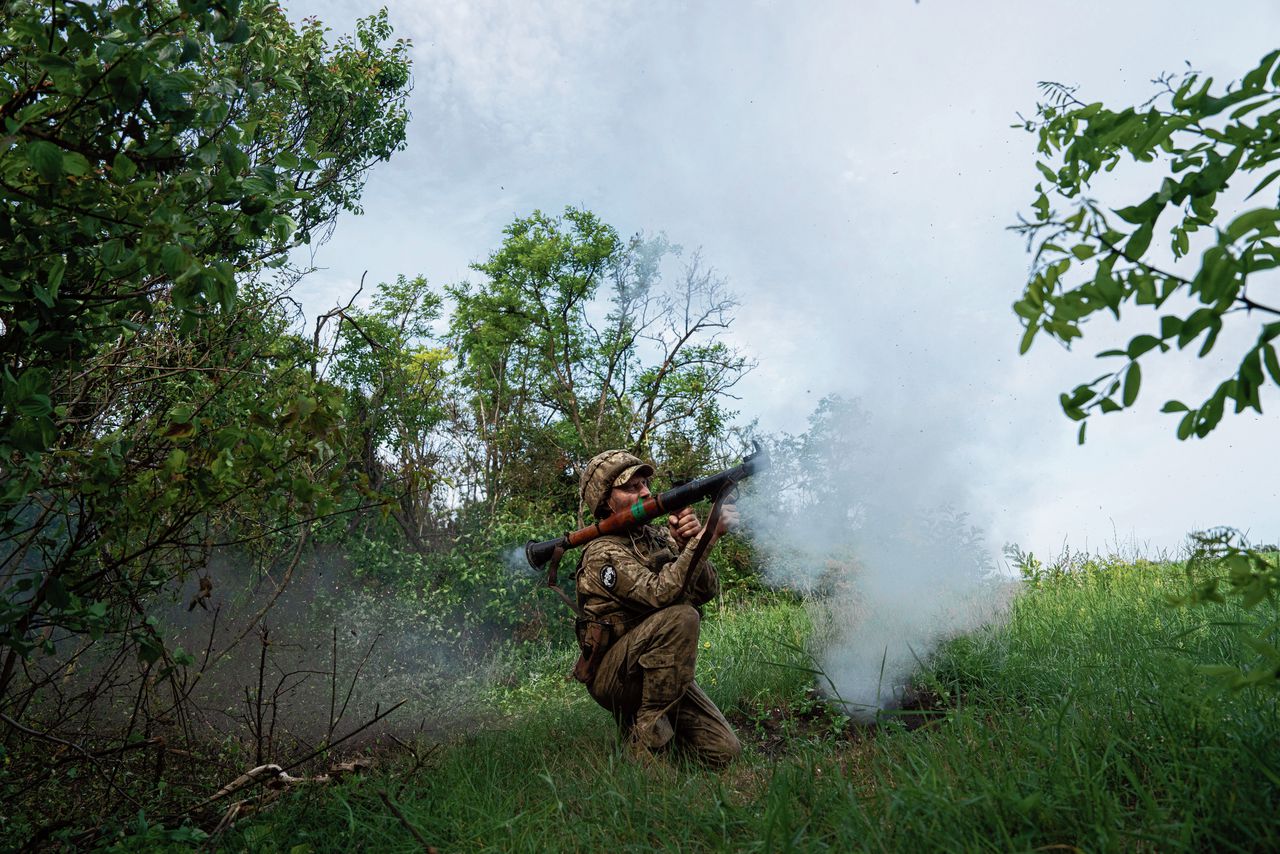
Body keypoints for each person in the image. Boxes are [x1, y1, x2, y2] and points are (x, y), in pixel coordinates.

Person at [573, 449, 742, 766]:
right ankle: (644, 743)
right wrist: (708, 534)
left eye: (645, 483)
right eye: (631, 486)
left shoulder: (655, 536)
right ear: (606, 500)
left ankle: (647, 732)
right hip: (615, 675)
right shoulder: (601, 552)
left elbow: (706, 590)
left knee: (723, 751)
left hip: (660, 666)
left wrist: (686, 543)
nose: (646, 492)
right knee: (681, 616)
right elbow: (660, 594)